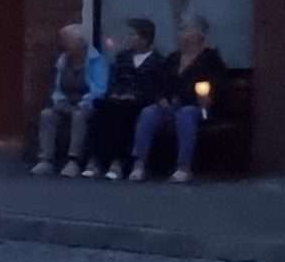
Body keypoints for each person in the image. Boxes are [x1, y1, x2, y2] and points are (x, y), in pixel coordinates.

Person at [130, 15, 231, 184]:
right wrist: (161, 98)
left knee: (186, 114)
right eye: (180, 30)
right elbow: (159, 83)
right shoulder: (173, 58)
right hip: (170, 105)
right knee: (148, 113)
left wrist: (207, 96)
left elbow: (218, 86)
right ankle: (139, 165)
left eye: (185, 29)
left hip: (198, 107)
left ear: (198, 35)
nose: (180, 34)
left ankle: (184, 167)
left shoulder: (210, 59)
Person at [86, 18, 164, 180]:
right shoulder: (122, 57)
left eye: (132, 34)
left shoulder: (158, 61)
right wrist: (115, 93)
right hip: (120, 98)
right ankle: (95, 160)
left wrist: (134, 96)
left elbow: (157, 87)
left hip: (141, 101)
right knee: (101, 108)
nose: (128, 38)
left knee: (122, 113)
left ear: (144, 38)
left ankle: (117, 162)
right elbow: (115, 80)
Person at [32, 23, 107, 176]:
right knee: (47, 115)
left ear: (80, 42)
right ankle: (46, 159)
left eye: (66, 40)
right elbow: (57, 88)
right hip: (66, 102)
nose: (63, 44)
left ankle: (74, 161)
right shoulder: (62, 60)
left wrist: (83, 103)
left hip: (88, 104)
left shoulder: (96, 61)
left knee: (79, 115)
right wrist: (59, 101)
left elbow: (99, 89)